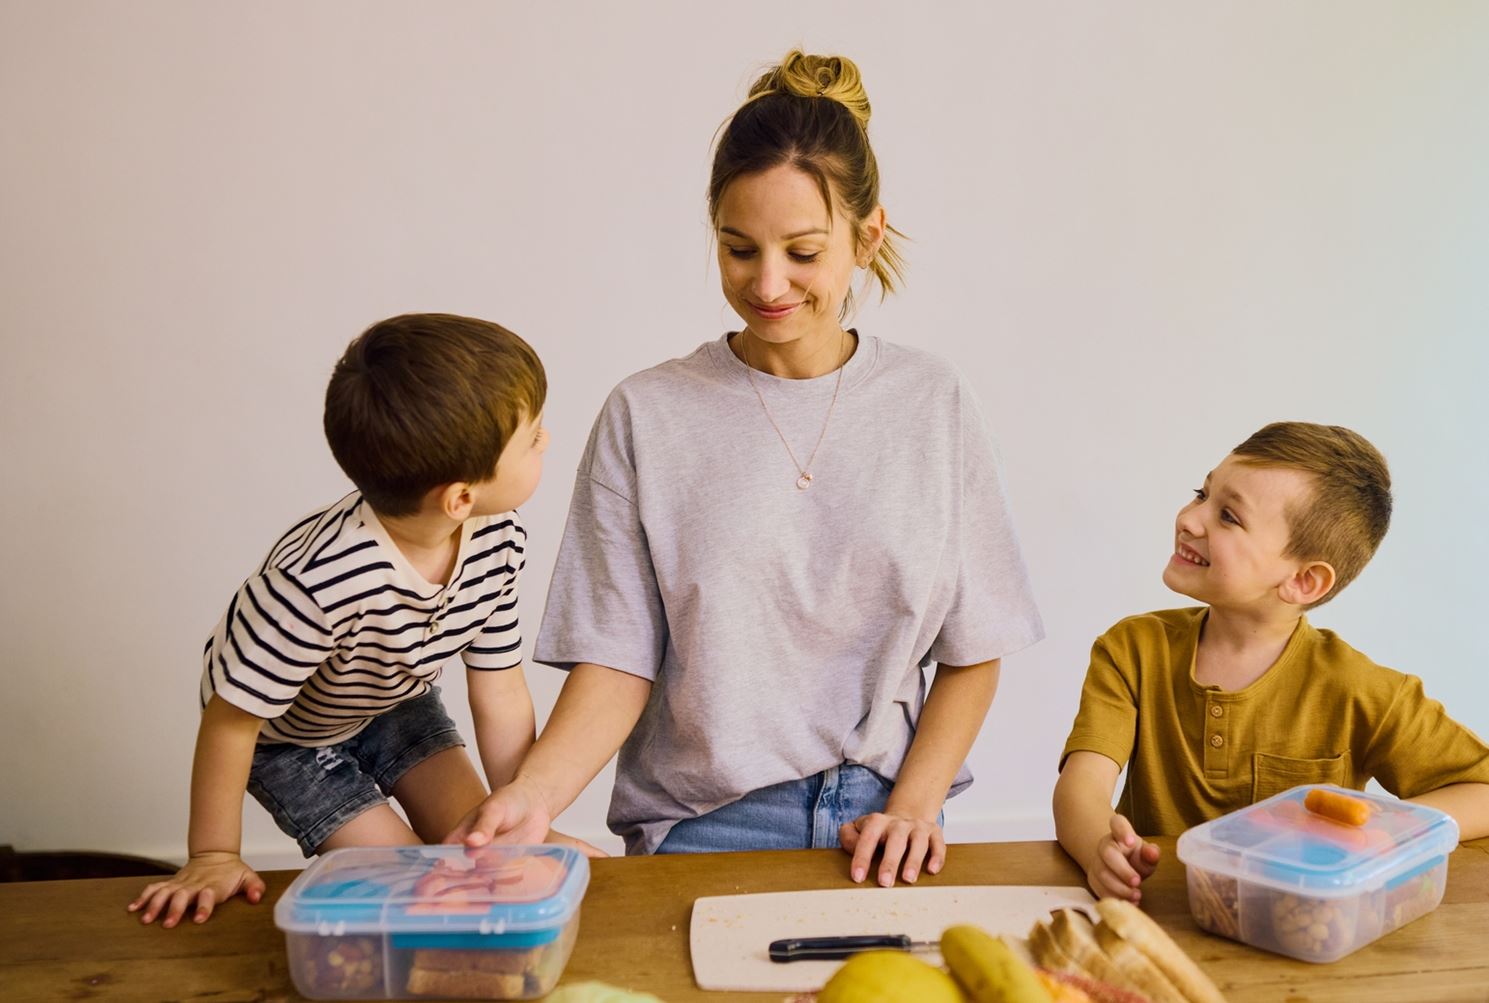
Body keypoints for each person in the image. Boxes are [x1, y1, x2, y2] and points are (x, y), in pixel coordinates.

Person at [446, 51, 1044, 887]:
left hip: (886, 821)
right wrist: (532, 795)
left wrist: (913, 805)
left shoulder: (930, 401)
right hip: (701, 826)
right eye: (737, 249)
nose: (767, 284)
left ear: (866, 236)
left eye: (802, 252)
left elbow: (975, 646)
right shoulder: (646, 413)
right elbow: (619, 657)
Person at [129, 313, 568, 927]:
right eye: (532, 438)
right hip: (287, 744)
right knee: (429, 892)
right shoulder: (314, 584)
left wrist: (525, 809)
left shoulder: (497, 538)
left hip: (393, 703)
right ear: (460, 497)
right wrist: (213, 854)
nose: (546, 440)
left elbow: (499, 689)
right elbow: (232, 721)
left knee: (489, 857)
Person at [1053, 421, 1489, 902]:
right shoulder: (1132, 649)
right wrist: (1099, 849)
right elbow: (1083, 784)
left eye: (1228, 517)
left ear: (1303, 581)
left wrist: (1381, 839)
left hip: (1299, 930)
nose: (1191, 519)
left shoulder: (1361, 689)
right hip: (1161, 912)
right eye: (1202, 493)